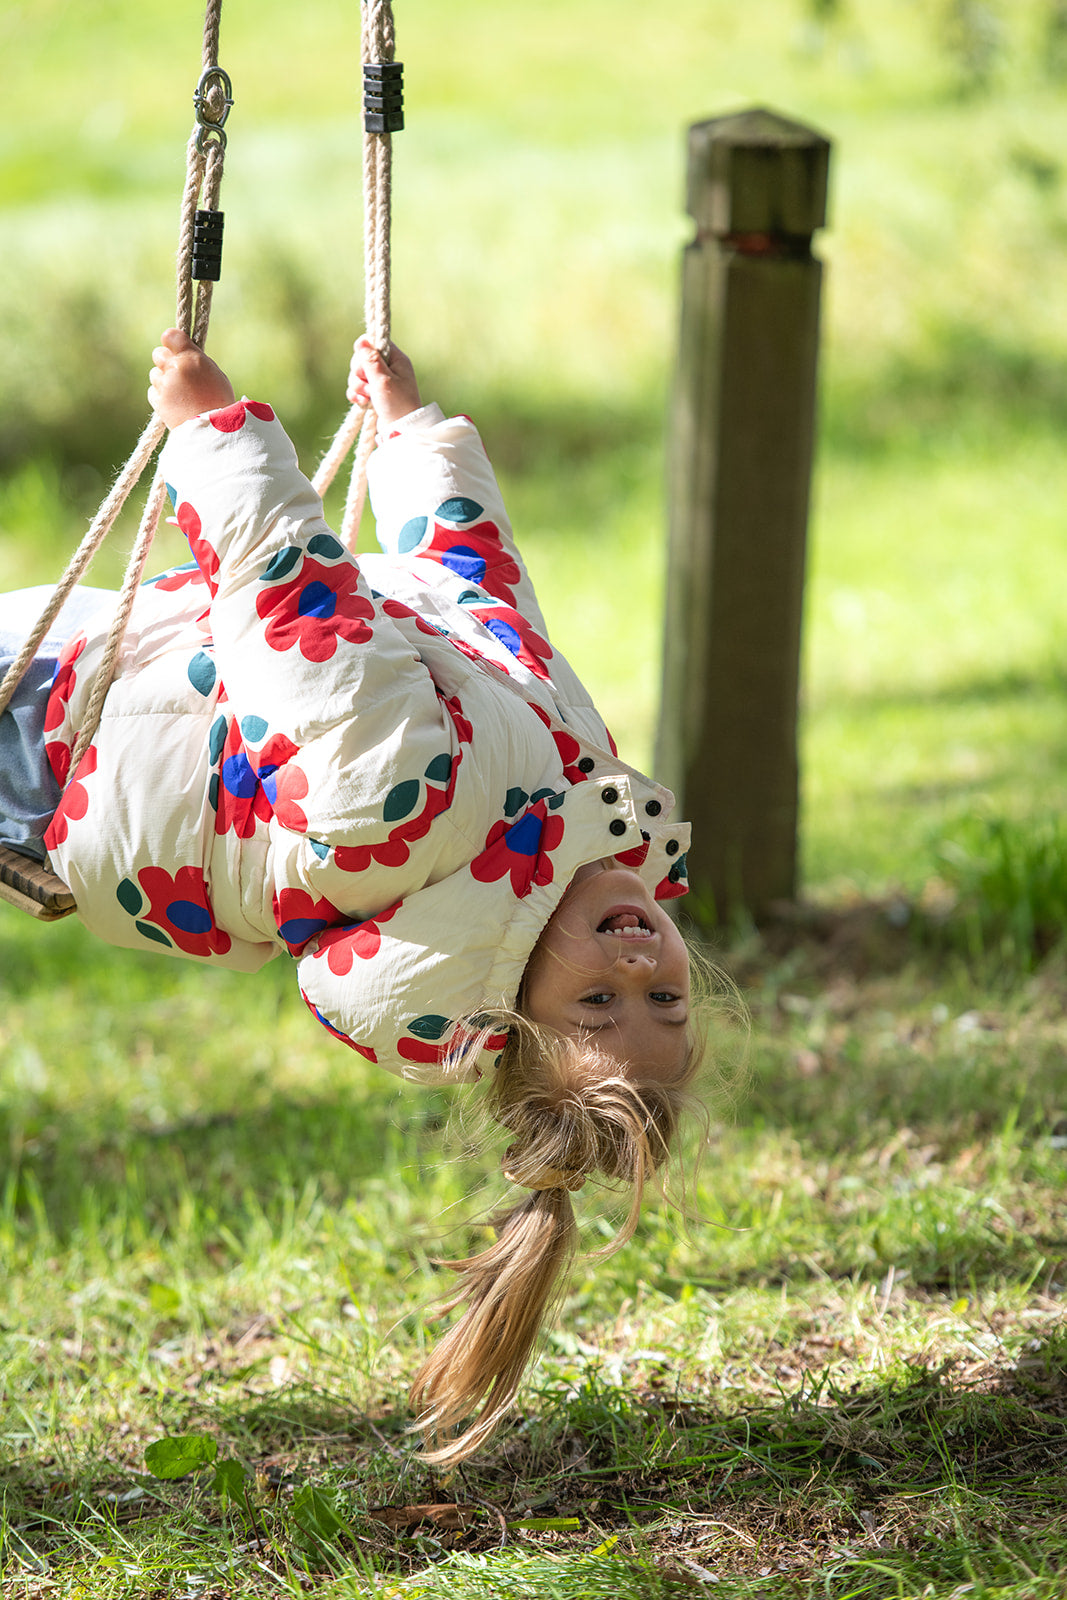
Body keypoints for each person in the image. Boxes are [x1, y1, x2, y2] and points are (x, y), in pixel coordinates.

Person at [2, 328, 706, 1460]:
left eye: (597, 1011)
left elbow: (305, 622)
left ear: (519, 1003)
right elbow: (481, 604)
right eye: (664, 1004)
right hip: (114, 683)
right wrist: (414, 443)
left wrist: (212, 433)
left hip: (56, 743)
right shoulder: (570, 802)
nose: (639, 972)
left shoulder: (410, 823)